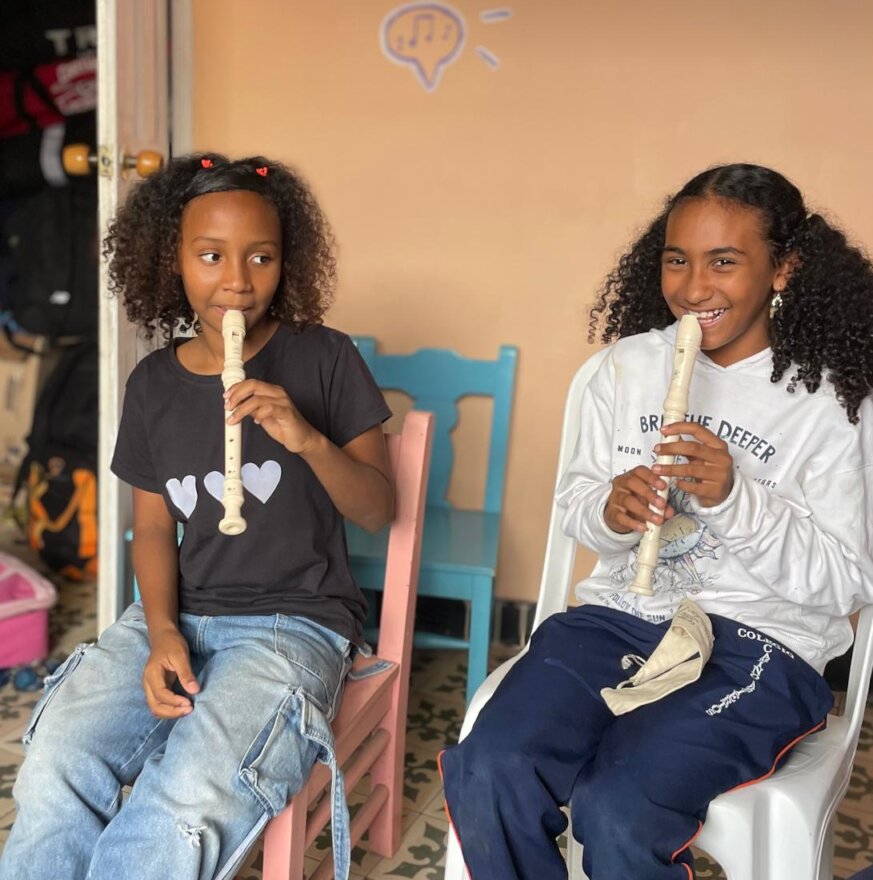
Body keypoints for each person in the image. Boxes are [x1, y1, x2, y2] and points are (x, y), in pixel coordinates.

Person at [440, 163, 873, 879]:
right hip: (615, 621)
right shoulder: (625, 368)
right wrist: (611, 512)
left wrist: (734, 499)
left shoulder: (828, 403)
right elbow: (578, 506)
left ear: (783, 268)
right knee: (490, 763)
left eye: (723, 262)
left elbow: (845, 581)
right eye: (677, 260)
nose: (693, 288)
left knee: (621, 806)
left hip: (759, 647)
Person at [0, 153, 393, 880]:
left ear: (287, 262)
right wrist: (160, 633)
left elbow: (377, 508)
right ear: (169, 260)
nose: (237, 280)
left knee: (185, 797)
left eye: (261, 257)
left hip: (294, 624)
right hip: (177, 615)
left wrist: (306, 438)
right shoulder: (152, 383)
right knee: (58, 754)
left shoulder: (325, 357)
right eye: (211, 255)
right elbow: (152, 529)